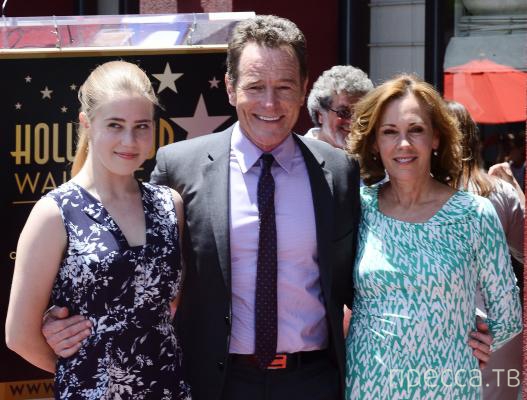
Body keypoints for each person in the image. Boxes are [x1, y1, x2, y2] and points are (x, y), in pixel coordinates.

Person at [38, 17, 494, 400]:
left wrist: (456, 320)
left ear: (304, 89)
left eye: (284, 87)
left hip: (314, 382)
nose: (270, 104)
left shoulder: (339, 172)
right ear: (231, 88)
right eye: (255, 87)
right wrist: (57, 319)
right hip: (215, 383)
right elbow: (137, 271)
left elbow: (375, 272)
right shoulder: (179, 168)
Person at [5, 60, 191, 399]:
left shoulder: (170, 205)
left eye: (141, 126)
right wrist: (82, 373)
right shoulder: (55, 213)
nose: (129, 141)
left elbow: (170, 306)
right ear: (87, 124)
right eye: (115, 125)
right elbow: (19, 336)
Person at [345, 74, 522, 399]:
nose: (403, 144)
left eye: (416, 130)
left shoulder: (474, 214)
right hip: (368, 386)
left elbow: (508, 316)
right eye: (389, 132)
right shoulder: (357, 209)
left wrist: (484, 341)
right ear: (374, 143)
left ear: (436, 137)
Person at [448, 100, 524, 400]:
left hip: (444, 331)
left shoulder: (416, 198)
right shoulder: (500, 191)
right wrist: (514, 186)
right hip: (499, 331)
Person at [305, 65, 373, 149]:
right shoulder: (300, 153)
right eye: (343, 112)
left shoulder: (368, 154)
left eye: (360, 114)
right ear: (320, 114)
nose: (352, 122)